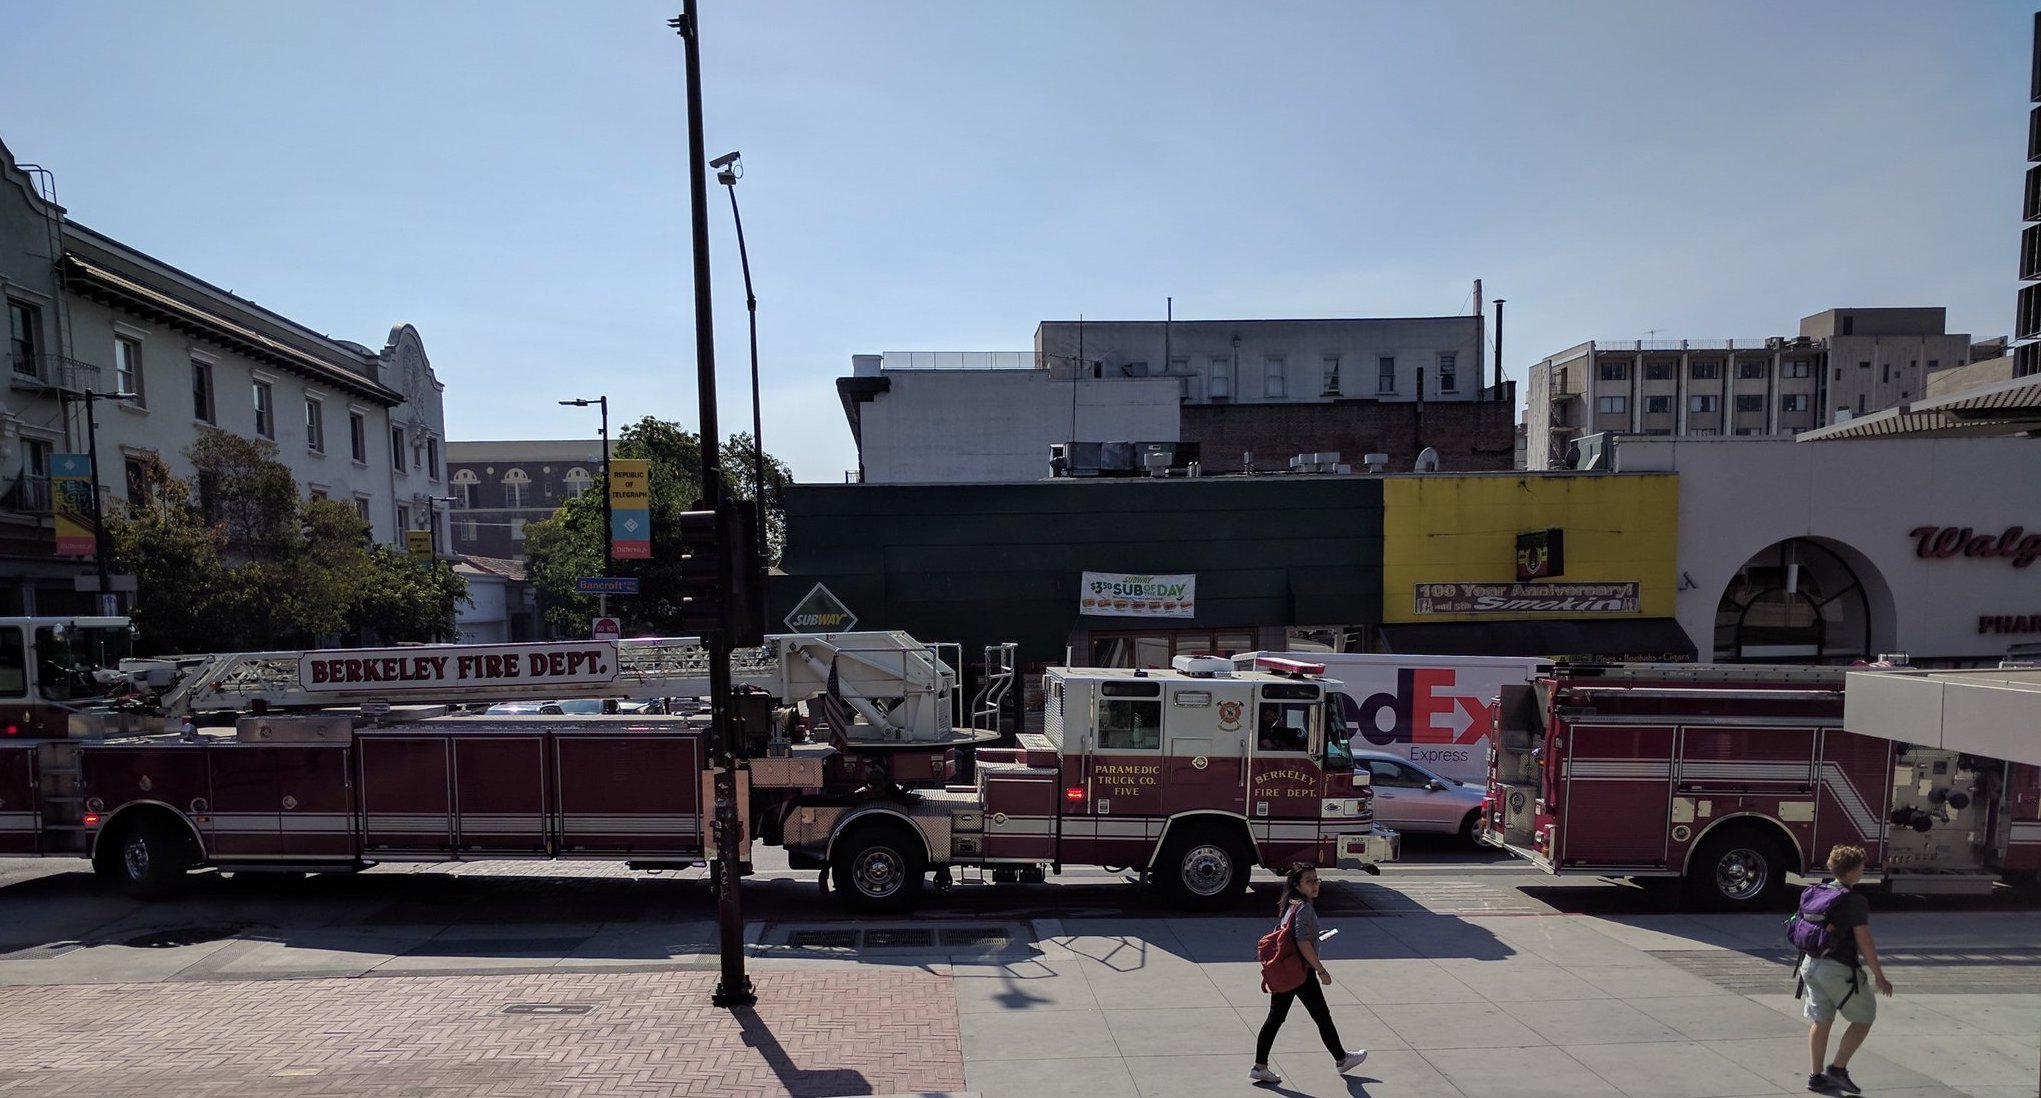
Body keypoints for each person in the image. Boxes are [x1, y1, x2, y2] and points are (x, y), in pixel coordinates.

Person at [1249, 863, 1367, 1086]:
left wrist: (1316, 936)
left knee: (1277, 1018)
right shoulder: (1303, 908)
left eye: (1316, 879)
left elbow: (1297, 936)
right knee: (1321, 1016)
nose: (1315, 885)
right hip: (1301, 972)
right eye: (1309, 881)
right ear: (1297, 885)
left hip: (1288, 970)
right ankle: (1341, 1059)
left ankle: (1260, 1066)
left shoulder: (1291, 905)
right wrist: (1321, 970)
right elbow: (1302, 942)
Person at [1801, 844, 1892, 1094]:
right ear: (1853, 872)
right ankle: (1838, 1069)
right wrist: (1879, 975)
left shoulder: (1816, 892)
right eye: (1861, 866)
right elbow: (1864, 940)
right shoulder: (1853, 900)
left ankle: (1816, 1077)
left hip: (1810, 964)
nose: (1863, 870)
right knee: (1864, 1017)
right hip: (1837, 969)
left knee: (1821, 1020)